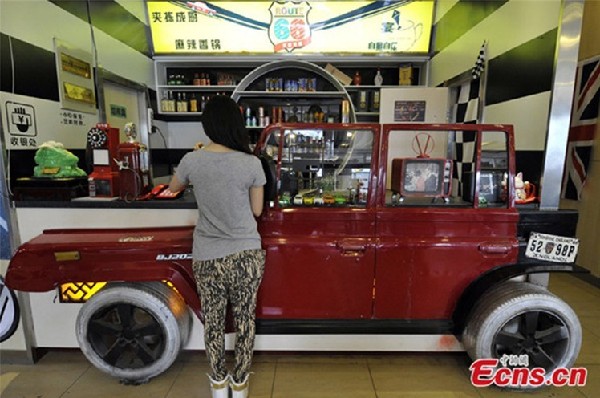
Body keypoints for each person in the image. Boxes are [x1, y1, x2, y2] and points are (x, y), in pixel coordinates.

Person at [169, 95, 266, 398]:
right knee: (244, 320)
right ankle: (240, 385)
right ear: (236, 125)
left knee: (213, 321)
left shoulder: (192, 160)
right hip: (246, 254)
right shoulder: (252, 163)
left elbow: (173, 188)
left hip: (208, 255)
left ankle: (218, 385)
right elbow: (257, 211)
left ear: (207, 125)